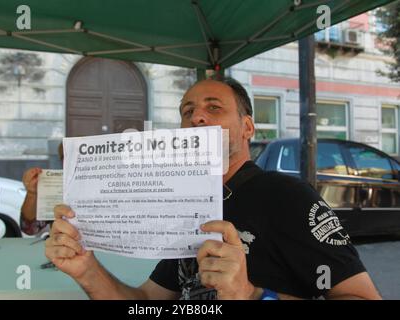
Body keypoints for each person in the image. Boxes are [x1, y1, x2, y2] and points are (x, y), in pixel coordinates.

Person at [45, 78, 381, 300]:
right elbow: (146, 302)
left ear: (247, 127)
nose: (197, 118)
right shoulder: (182, 205)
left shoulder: (288, 197)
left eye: (213, 108)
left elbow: (363, 296)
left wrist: (252, 295)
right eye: (187, 112)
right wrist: (86, 270)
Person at [20, 142, 63, 235]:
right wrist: (32, 193)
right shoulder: (55, 186)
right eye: (66, 156)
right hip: (62, 246)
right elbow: (30, 228)